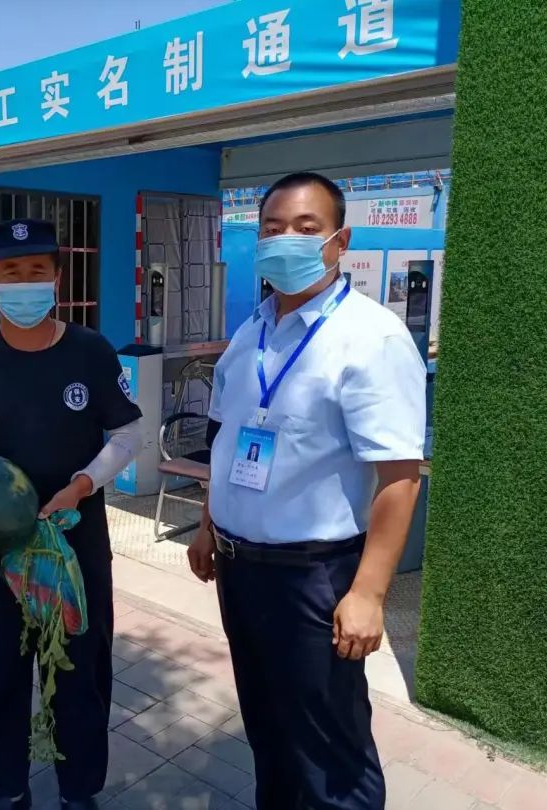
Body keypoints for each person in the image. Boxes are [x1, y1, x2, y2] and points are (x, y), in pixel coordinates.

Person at [187, 172, 425, 809]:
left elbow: (399, 477)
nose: (284, 239)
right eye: (272, 228)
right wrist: (207, 526)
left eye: (305, 227)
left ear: (339, 241)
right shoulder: (252, 331)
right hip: (241, 571)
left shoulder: (371, 338)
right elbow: (226, 438)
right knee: (270, 730)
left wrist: (368, 594)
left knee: (328, 749)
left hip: (314, 579)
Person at [0, 219, 143, 810]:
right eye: (11, 272)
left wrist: (82, 485)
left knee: (79, 670)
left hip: (74, 544)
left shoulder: (90, 351)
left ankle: (78, 791)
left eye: (37, 270)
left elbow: (129, 435)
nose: (25, 282)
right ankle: (9, 787)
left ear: (57, 278)